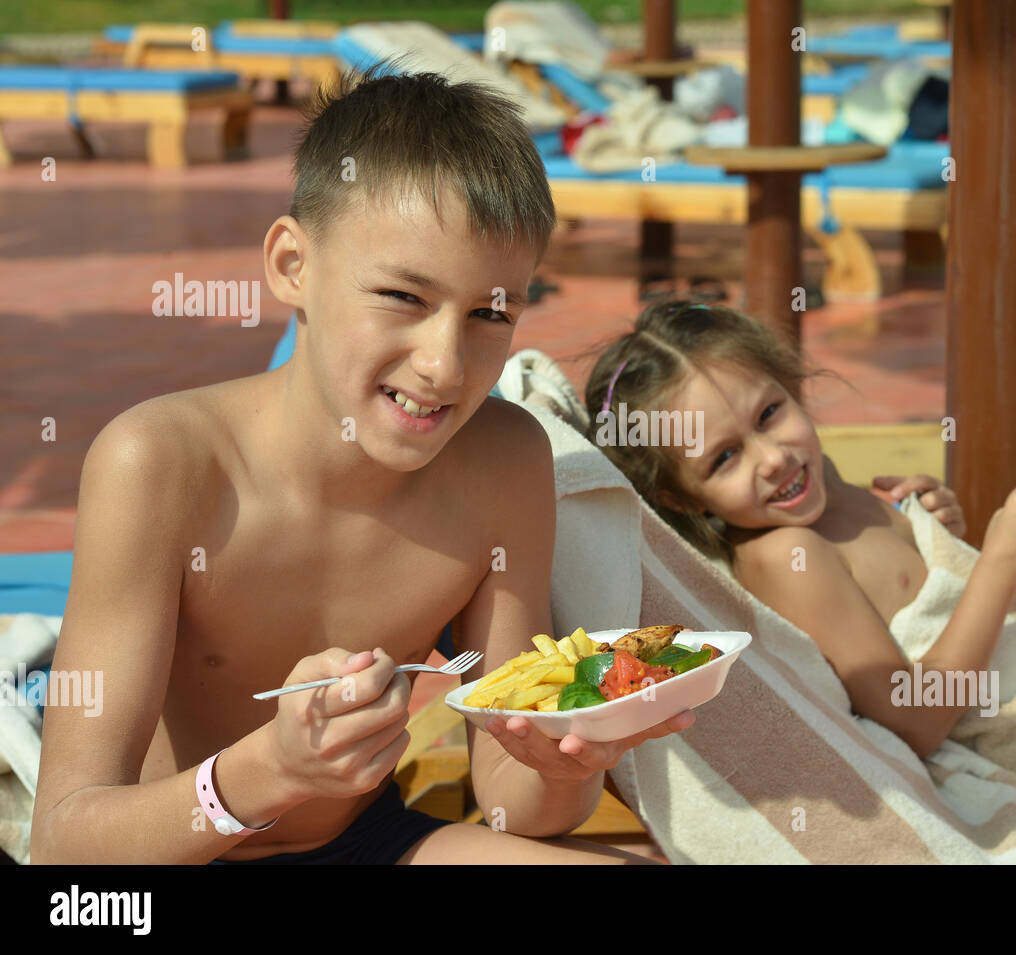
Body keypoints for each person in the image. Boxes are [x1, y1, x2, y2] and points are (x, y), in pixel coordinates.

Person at [30, 69, 691, 866]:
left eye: (490, 313)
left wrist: (562, 761)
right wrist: (267, 771)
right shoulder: (163, 465)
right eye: (403, 297)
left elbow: (515, 808)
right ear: (290, 264)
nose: (445, 364)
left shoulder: (504, 461)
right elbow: (66, 847)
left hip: (368, 841)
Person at [582, 300, 1016, 759]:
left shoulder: (817, 484)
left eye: (770, 413)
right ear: (681, 499)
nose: (774, 458)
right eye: (724, 458)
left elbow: (909, 591)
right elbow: (914, 722)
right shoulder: (788, 555)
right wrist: (999, 569)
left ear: (790, 385)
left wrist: (935, 534)